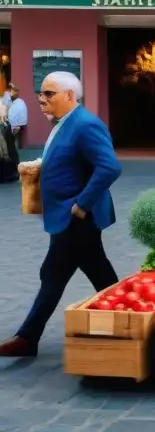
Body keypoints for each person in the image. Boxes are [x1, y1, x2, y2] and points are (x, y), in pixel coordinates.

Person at [0, 72, 120, 358]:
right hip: (71, 219)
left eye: (49, 93)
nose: (42, 99)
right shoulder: (64, 123)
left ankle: (27, 338)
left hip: (77, 218)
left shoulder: (86, 124)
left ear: (69, 95)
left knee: (54, 272)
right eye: (41, 93)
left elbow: (109, 167)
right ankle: (131, 319)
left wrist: (81, 205)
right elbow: (67, 158)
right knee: (97, 272)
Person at [4, 83, 28, 149]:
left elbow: (14, 115)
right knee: (15, 139)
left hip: (17, 124)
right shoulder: (19, 102)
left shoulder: (17, 103)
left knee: (12, 139)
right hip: (19, 124)